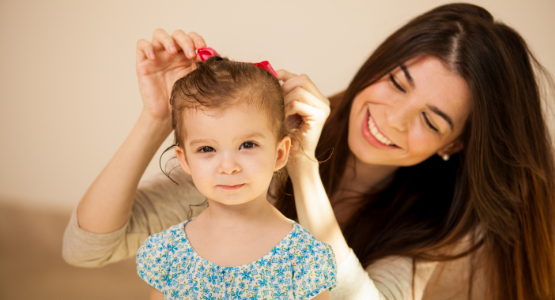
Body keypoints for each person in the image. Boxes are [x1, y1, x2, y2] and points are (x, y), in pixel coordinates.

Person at [62, 3, 555, 300]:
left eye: (431, 119)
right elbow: (87, 249)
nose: (392, 118)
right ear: (378, 65)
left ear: (456, 143)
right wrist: (157, 117)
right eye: (397, 82)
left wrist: (303, 166)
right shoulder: (246, 149)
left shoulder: (438, 222)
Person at [135, 48, 337, 299]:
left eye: (248, 145)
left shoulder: (304, 258)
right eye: (207, 149)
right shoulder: (168, 253)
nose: (228, 166)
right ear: (184, 160)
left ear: (280, 153)